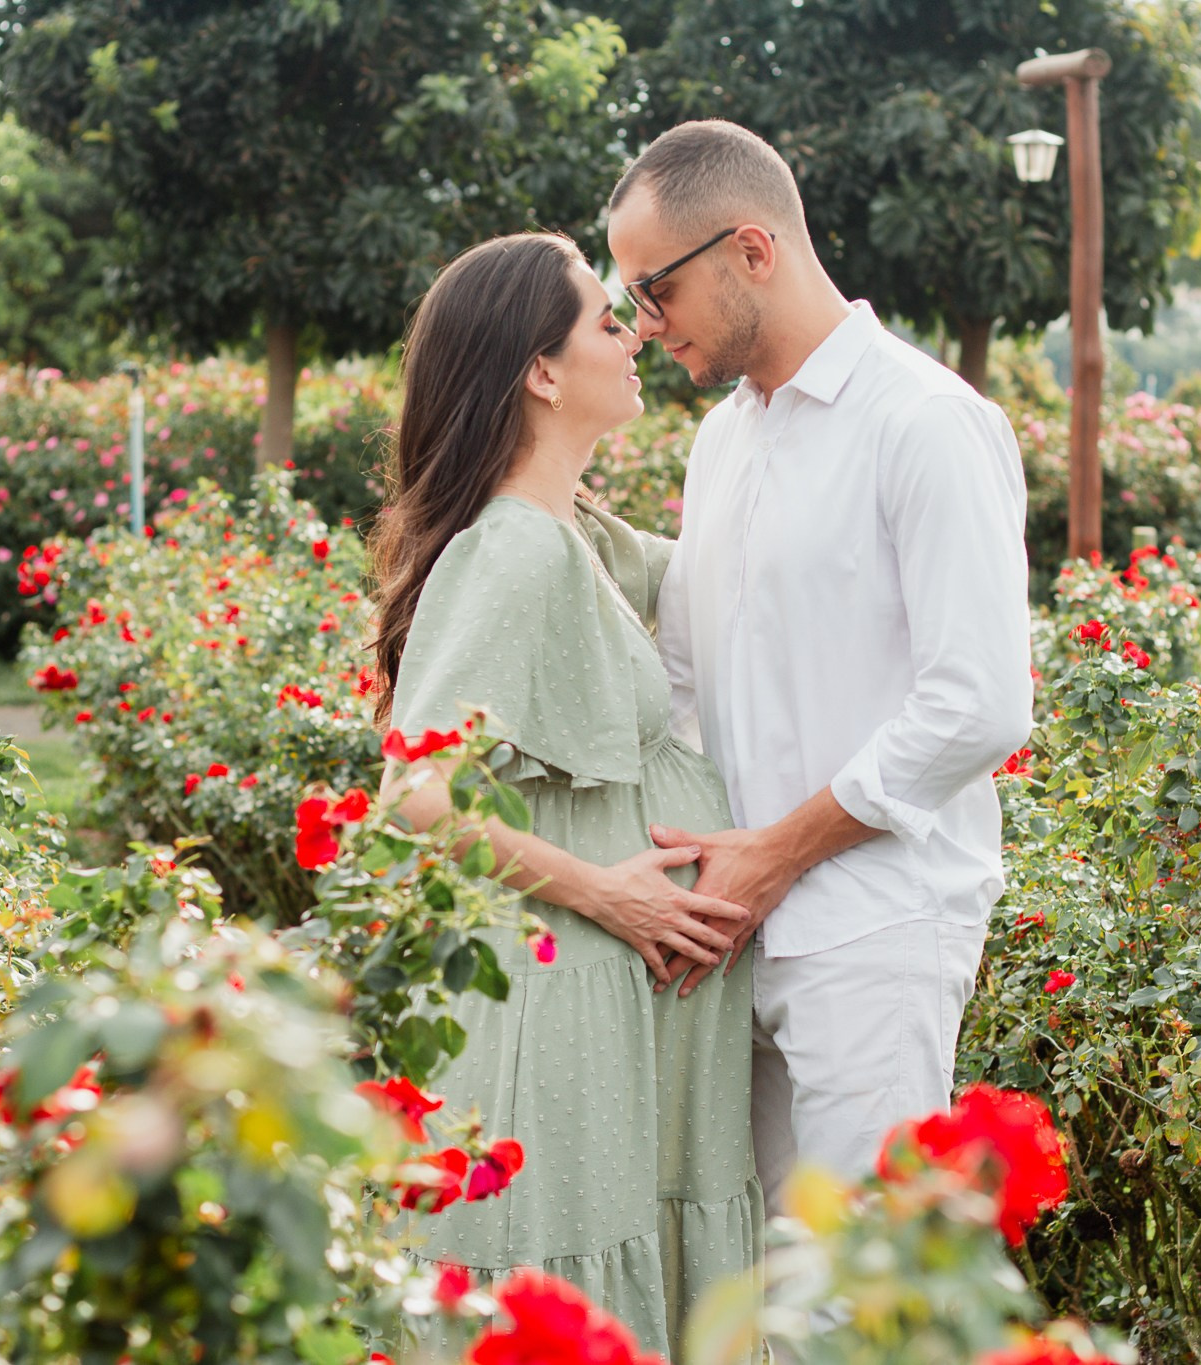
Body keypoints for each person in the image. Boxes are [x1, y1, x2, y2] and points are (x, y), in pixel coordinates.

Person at [605, 121, 1034, 1207]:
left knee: (857, 1293)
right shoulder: (721, 441)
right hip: (732, 929)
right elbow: (692, 685)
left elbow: (978, 702)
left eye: (654, 292)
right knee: (752, 1288)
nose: (644, 327)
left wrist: (777, 855)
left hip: (874, 927)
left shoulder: (925, 422)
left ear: (752, 252)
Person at [367, 232, 761, 1360]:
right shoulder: (512, 552)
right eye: (603, 317)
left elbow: (739, 565)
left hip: (606, 1001)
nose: (633, 329)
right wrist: (611, 895)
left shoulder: (573, 533)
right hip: (559, 996)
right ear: (539, 371)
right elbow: (415, 800)